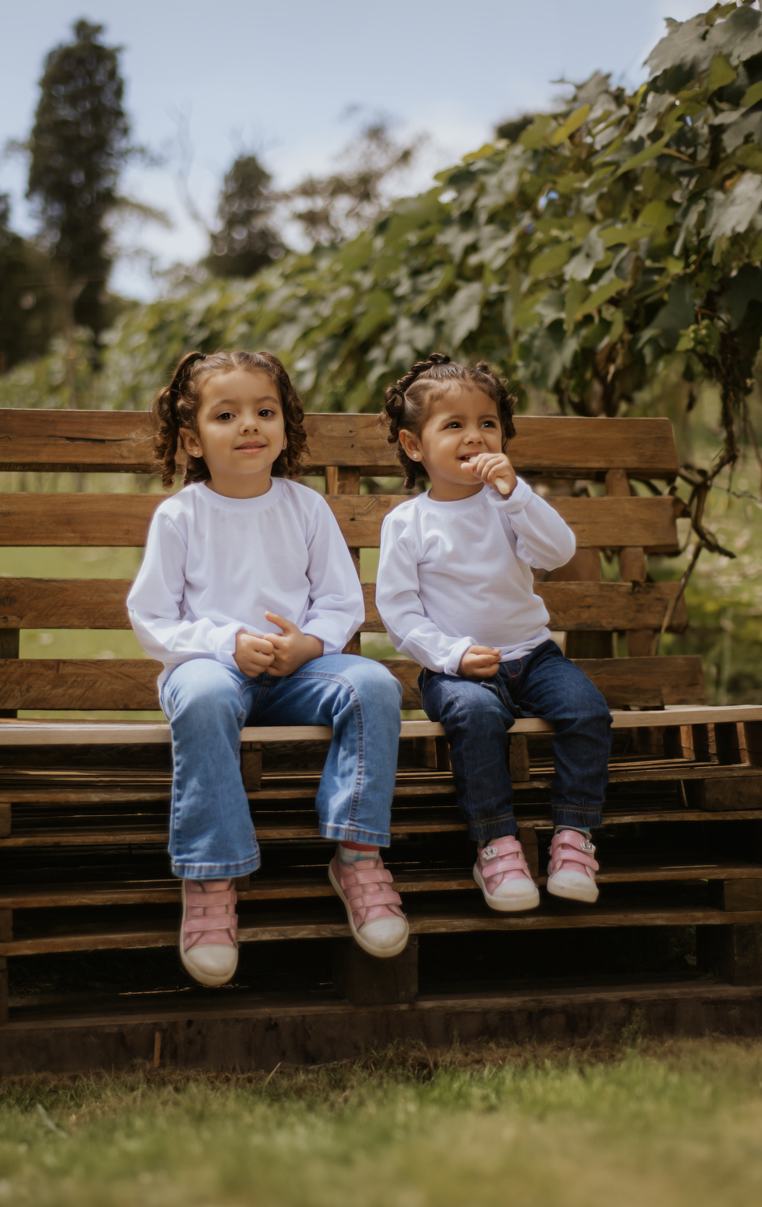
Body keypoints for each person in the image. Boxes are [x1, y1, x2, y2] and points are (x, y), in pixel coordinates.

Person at [128, 350, 407, 987]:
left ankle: (359, 857)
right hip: (209, 671)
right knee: (200, 697)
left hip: (298, 673)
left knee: (373, 684)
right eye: (227, 414)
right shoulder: (181, 515)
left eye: (265, 411)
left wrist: (309, 644)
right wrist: (226, 643)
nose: (250, 424)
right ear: (194, 440)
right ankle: (211, 881)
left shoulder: (305, 509)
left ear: (285, 427)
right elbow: (153, 619)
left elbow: (340, 601)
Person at [375, 353, 612, 913]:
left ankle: (573, 839)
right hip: (456, 669)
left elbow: (558, 551)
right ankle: (497, 844)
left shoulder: (509, 505)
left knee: (587, 710)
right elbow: (400, 614)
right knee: (478, 717)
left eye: (487, 423)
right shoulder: (407, 523)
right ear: (415, 446)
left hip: (533, 656)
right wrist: (453, 655)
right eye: (453, 425)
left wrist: (517, 494)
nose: (474, 436)